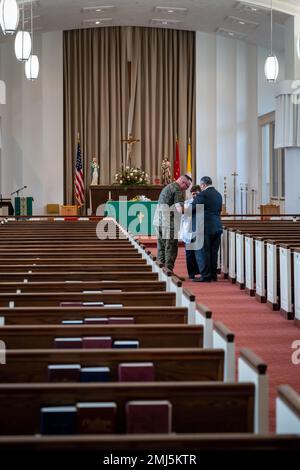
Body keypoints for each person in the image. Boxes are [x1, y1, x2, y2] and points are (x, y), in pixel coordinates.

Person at [154, 174, 192, 273]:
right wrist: (193, 210)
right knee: (171, 248)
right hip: (169, 223)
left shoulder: (168, 187)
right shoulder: (177, 189)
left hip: (158, 221)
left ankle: (160, 272)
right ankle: (169, 273)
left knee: (161, 248)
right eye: (187, 186)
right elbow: (180, 209)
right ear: (183, 182)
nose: (186, 189)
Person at [192, 176, 222, 282]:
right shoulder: (218, 194)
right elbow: (219, 210)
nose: (201, 187)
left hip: (205, 227)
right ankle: (213, 275)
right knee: (214, 252)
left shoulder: (203, 194)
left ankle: (205, 276)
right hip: (217, 226)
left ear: (203, 185)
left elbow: (192, 208)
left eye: (201, 185)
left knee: (204, 251)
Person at [180, 185, 201, 279]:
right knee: (189, 253)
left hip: (199, 231)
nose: (195, 195)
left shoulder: (202, 202)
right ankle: (191, 273)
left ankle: (199, 271)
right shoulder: (187, 203)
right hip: (188, 230)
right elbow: (183, 216)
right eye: (193, 194)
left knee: (199, 252)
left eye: (197, 193)